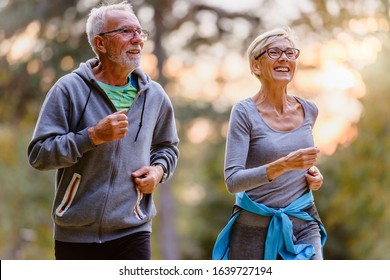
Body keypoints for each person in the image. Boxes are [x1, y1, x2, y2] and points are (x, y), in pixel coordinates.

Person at [27, 1, 179, 260]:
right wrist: (92, 136)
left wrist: (159, 170)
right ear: (100, 44)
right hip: (75, 233)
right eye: (126, 32)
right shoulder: (69, 89)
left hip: (133, 229)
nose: (137, 40)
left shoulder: (154, 95)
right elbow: (39, 154)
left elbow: (168, 147)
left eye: (139, 32)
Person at [212, 27, 326, 260]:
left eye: (290, 53)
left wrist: (313, 174)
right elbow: (233, 181)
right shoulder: (244, 112)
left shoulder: (309, 110)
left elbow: (298, 163)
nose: (284, 57)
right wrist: (283, 165)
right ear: (256, 66)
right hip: (253, 227)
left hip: (304, 222)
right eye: (274, 52)